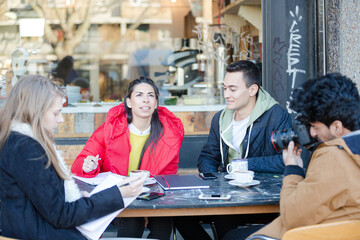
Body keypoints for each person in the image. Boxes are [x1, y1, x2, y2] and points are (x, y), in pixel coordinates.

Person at [0, 75, 146, 240]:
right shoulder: (27, 149)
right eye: (56, 113)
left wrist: (77, 198)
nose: (61, 119)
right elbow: (62, 214)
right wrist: (118, 194)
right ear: (36, 111)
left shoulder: (17, 142)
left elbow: (41, 199)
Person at [223, 73, 360, 240]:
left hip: (312, 234)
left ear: (337, 127)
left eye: (316, 127)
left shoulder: (334, 156)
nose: (312, 133)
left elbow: (292, 217)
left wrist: (293, 169)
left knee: (232, 236)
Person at [175, 60, 292, 240]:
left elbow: (285, 161)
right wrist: (215, 181)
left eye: (232, 89)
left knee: (225, 222)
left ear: (252, 90)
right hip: (227, 194)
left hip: (261, 198)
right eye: (224, 88)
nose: (226, 95)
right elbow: (207, 156)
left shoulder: (276, 115)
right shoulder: (220, 119)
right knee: (179, 216)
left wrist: (244, 165)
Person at [71, 76, 185, 239]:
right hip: (119, 197)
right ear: (129, 102)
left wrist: (147, 205)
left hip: (152, 197)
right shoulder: (109, 130)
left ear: (156, 103)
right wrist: (88, 166)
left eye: (150, 95)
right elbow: (80, 163)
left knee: (163, 221)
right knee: (132, 220)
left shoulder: (169, 135)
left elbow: (167, 177)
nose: (145, 100)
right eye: (139, 95)